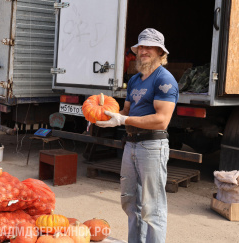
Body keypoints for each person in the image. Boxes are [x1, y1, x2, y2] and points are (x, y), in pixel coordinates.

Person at [96, 28, 179, 243]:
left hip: (152, 146)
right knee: (130, 202)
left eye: (149, 47)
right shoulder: (134, 80)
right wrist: (110, 116)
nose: (143, 51)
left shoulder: (165, 80)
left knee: (153, 207)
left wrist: (124, 120)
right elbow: (126, 111)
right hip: (131, 145)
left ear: (161, 52)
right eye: (141, 46)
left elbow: (162, 119)